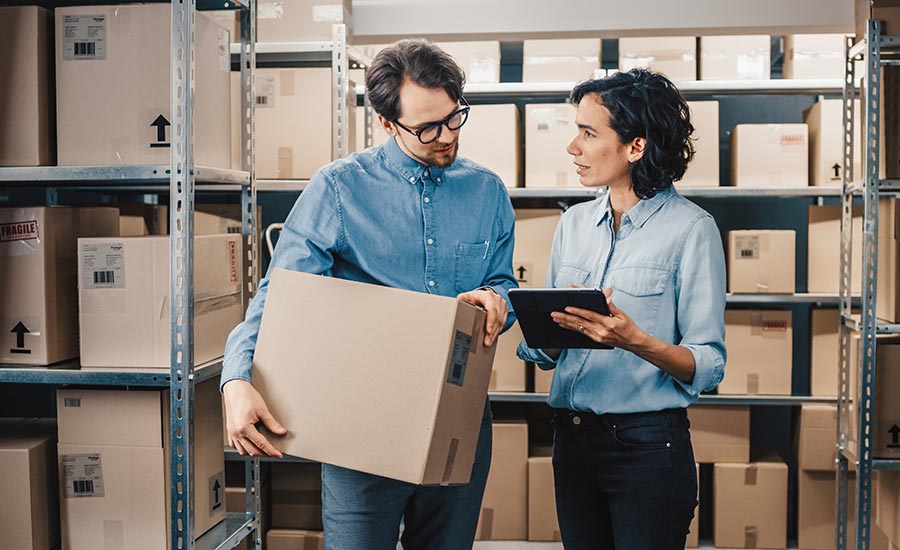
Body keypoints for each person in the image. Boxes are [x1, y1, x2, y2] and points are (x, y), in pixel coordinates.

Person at [220, 39, 517, 549]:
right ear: (386, 123)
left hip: (459, 418)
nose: (445, 137)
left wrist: (499, 301)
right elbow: (280, 296)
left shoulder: (487, 191)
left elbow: (502, 282)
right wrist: (236, 379)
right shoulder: (338, 189)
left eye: (453, 118)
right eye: (426, 128)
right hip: (363, 425)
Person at [517, 69, 727, 549]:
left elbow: (709, 365)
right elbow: (546, 353)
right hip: (571, 441)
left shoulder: (692, 231)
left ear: (636, 146)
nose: (574, 147)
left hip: (647, 447)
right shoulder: (572, 223)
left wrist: (635, 341)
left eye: (588, 134)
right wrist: (547, 332)